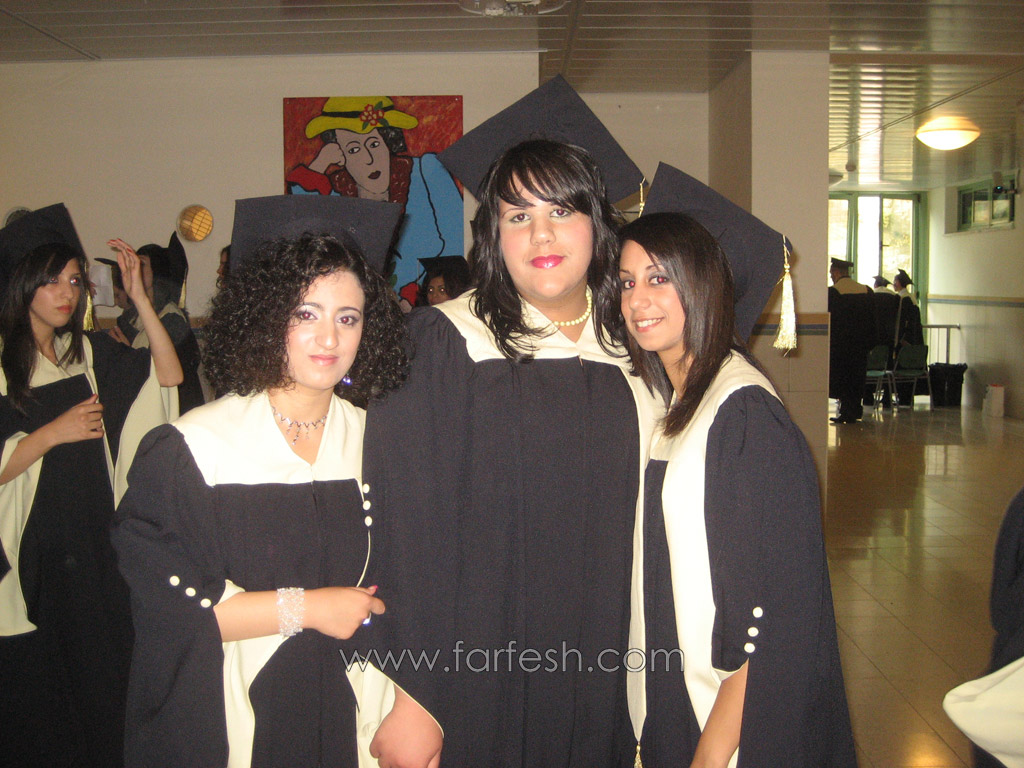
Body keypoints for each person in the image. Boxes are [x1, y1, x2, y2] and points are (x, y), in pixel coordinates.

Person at [364, 76, 663, 768]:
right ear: (493, 235)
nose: (543, 234)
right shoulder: (444, 343)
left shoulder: (637, 351)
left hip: (610, 655)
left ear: (598, 226)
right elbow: (406, 528)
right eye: (518, 215)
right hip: (479, 662)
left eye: (563, 210)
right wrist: (415, 695)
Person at [111, 195, 409, 768]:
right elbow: (169, 610)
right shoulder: (195, 449)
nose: (329, 339)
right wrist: (307, 608)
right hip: (239, 717)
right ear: (266, 317)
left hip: (359, 714)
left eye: (348, 317)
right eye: (306, 314)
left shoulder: (381, 444)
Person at [616, 209, 856, 768]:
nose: (636, 300)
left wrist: (711, 754)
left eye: (659, 277)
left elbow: (772, 611)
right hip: (676, 683)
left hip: (731, 721)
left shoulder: (742, 414)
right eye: (627, 282)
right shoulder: (680, 400)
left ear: (702, 284)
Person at [0, 204, 182, 768]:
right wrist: (52, 433)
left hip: (95, 540)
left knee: (104, 676)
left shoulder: (85, 354)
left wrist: (140, 299)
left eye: (75, 281)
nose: (66, 293)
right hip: (36, 549)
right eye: (51, 280)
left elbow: (169, 375)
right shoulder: (3, 364)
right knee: (47, 687)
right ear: (22, 283)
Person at [287, 96, 464, 293]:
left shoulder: (426, 172)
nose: (369, 159)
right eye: (354, 150)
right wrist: (320, 164)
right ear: (341, 157)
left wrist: (420, 295)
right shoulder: (336, 193)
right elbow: (302, 233)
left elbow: (456, 247)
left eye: (374, 144)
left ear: (389, 144)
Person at [115, 233, 204, 412]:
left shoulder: (172, 317)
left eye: (142, 264)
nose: (135, 268)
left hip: (172, 405)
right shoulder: (131, 316)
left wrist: (126, 351)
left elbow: (166, 370)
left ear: (158, 270)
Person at [828, 258, 875, 423]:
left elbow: (833, 322)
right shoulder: (866, 291)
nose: (831, 277)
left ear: (836, 272)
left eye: (831, 273)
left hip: (842, 345)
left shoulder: (834, 292)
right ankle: (855, 410)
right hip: (861, 345)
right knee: (857, 378)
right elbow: (872, 320)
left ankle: (847, 412)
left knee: (844, 378)